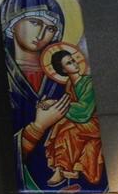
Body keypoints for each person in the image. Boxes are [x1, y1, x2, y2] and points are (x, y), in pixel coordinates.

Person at [0, 0, 71, 191]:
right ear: (11, 24)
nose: (41, 35)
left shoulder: (61, 78)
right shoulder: (7, 74)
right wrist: (38, 126)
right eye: (35, 22)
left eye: (50, 28)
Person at [44, 49, 104, 186]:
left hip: (92, 122)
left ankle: (61, 169)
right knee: (61, 127)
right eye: (69, 63)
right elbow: (69, 104)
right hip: (82, 122)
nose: (75, 64)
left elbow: (84, 110)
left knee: (66, 131)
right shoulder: (70, 85)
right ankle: (60, 169)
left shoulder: (89, 82)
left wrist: (54, 103)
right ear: (63, 70)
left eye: (73, 60)